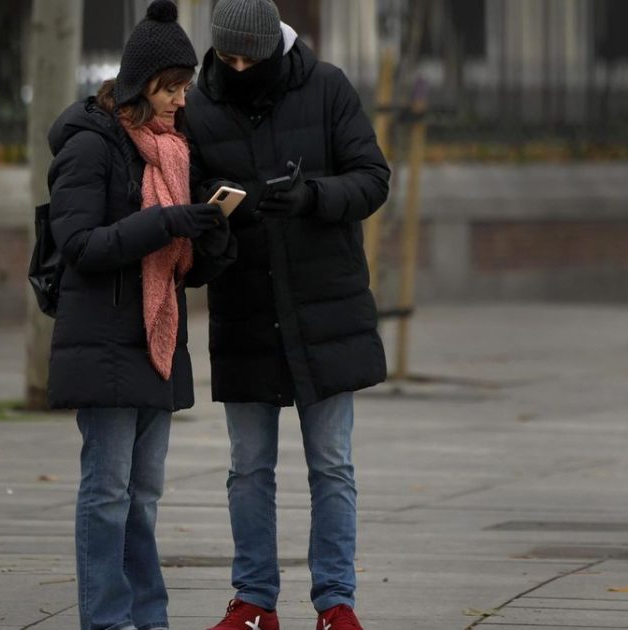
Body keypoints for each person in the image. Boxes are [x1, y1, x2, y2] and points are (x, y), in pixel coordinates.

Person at [182, 1, 390, 629]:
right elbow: (187, 196)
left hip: (324, 310)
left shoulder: (326, 87)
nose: (240, 67)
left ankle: (336, 603)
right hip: (245, 310)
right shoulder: (198, 105)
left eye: (252, 57)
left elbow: (373, 178)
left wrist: (312, 197)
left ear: (276, 46)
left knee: (332, 464)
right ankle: (253, 600)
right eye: (229, 57)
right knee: (248, 468)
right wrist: (218, 217)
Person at [45, 2, 233, 629]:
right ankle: (107, 619)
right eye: (173, 87)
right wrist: (163, 223)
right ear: (141, 85)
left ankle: (147, 616)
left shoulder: (173, 153)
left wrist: (208, 235)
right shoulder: (89, 146)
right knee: (107, 495)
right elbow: (79, 246)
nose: (182, 100)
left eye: (185, 87)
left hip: (156, 342)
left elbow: (181, 266)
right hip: (103, 342)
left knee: (143, 497)